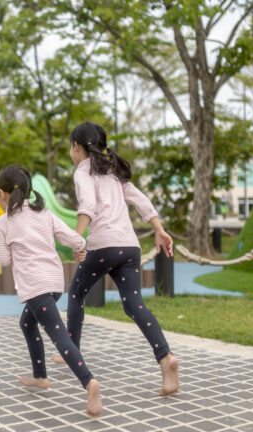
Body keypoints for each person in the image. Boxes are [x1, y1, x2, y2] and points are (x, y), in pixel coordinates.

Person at [51, 122, 180, 396]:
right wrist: (159, 229)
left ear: (77, 147)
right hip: (129, 247)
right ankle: (165, 357)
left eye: (70, 148)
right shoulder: (113, 171)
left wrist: (77, 239)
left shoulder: (83, 171)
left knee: (75, 293)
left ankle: (69, 351)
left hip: (105, 246)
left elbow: (86, 205)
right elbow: (140, 199)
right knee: (134, 305)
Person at [0, 165, 102, 417]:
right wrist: (82, 246)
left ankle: (89, 382)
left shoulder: (3, 223)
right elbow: (72, 238)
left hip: (34, 286)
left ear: (2, 194)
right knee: (27, 324)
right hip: (54, 282)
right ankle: (40, 377)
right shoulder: (44, 213)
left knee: (59, 335)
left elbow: (4, 260)